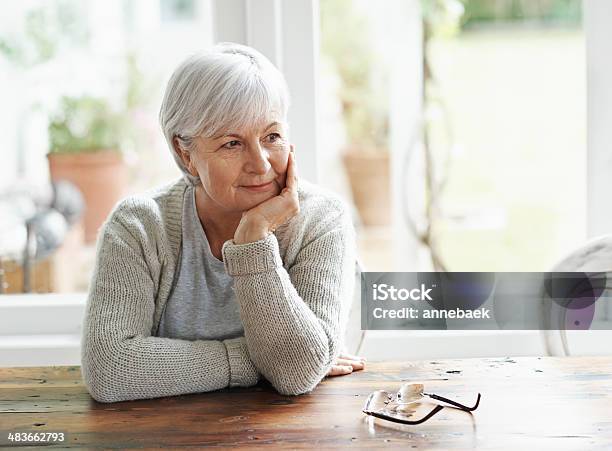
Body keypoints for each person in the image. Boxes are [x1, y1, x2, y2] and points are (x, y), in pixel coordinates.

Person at [80, 42, 364, 403]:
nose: (260, 164)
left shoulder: (322, 219)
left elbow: (295, 376)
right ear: (186, 153)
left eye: (271, 136)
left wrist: (253, 242)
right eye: (232, 143)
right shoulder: (138, 226)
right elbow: (110, 369)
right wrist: (255, 360)